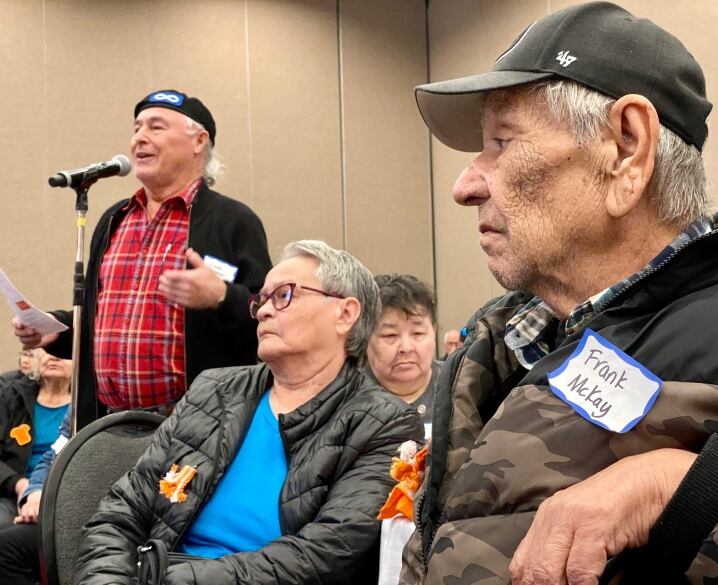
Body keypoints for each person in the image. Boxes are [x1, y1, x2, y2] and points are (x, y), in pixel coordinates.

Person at [400, 2, 718, 584]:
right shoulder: (495, 346)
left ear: (626, 148)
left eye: (502, 142)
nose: (465, 185)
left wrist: (692, 492)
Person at [73, 240, 424, 585]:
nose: (265, 310)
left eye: (284, 295)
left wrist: (163, 577)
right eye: (262, 300)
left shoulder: (386, 423)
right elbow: (119, 514)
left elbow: (324, 556)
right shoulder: (213, 391)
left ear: (345, 314)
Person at [13, 89, 272, 429]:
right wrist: (55, 329)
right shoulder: (113, 221)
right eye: (137, 128)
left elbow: (271, 317)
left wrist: (222, 297)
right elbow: (101, 320)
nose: (139, 139)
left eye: (156, 127)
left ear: (199, 140)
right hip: (109, 424)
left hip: (196, 427)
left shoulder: (233, 222)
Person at [0, 409, 71, 585]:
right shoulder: (76, 411)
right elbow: (52, 457)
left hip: (87, 513)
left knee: (6, 547)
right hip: (28, 494)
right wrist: (34, 492)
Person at [0, 350, 70, 527]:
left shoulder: (85, 407)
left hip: (63, 496)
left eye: (64, 351)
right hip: (10, 494)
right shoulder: (11, 396)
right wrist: (19, 484)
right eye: (48, 350)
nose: (54, 356)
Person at [367, 273, 441, 429]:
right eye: (390, 335)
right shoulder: (348, 398)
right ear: (366, 337)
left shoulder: (460, 387)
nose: (406, 348)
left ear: (433, 332)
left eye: (418, 333)